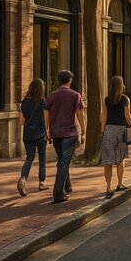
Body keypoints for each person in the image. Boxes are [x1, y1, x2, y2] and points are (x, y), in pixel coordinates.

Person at [44, 70, 85, 203]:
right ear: (70, 80)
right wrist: (83, 131)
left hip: (56, 133)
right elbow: (80, 115)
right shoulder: (75, 95)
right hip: (69, 133)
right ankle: (58, 194)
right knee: (63, 162)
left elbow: (46, 112)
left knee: (62, 160)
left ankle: (67, 186)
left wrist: (47, 130)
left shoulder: (52, 95)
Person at [100, 75, 131, 199]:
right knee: (121, 158)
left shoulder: (106, 99)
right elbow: (127, 115)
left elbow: (103, 116)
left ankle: (108, 188)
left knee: (108, 160)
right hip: (120, 130)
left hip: (109, 129)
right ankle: (119, 183)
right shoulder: (125, 99)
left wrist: (102, 130)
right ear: (121, 85)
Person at [18, 79, 48, 196]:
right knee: (42, 158)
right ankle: (42, 182)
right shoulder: (43, 102)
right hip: (40, 134)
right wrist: (47, 132)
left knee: (30, 157)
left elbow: (21, 121)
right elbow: (46, 120)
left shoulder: (24, 102)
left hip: (27, 134)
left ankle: (23, 179)